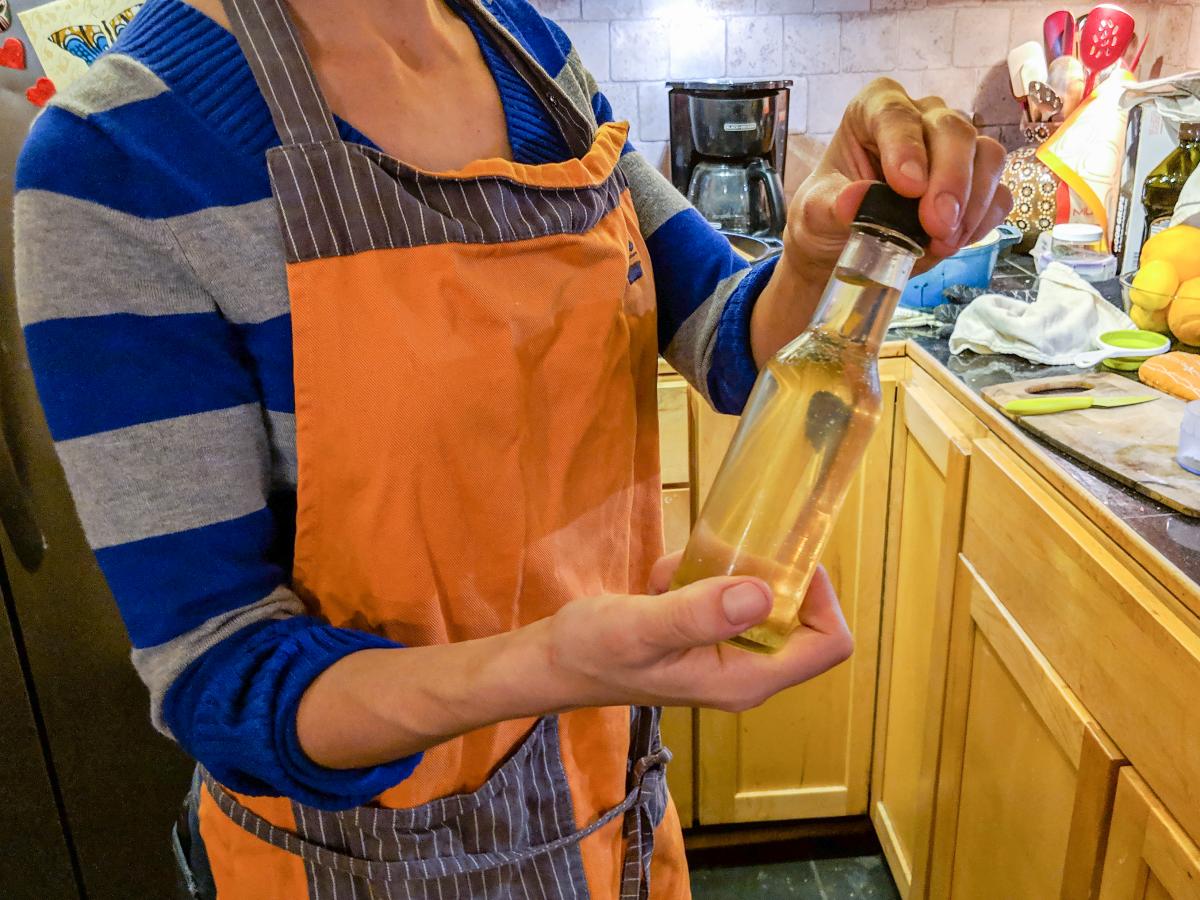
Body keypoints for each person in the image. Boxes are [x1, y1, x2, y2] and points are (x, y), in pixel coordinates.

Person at [13, 0, 1011, 896]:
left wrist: (810, 252)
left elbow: (720, 330)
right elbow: (219, 675)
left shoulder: (529, 52)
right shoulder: (117, 156)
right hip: (361, 868)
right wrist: (550, 665)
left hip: (608, 809)